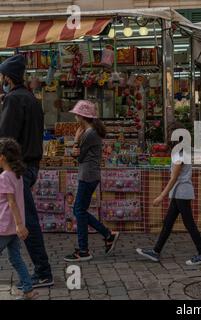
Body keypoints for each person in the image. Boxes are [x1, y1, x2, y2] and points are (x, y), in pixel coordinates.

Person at [0, 54, 53, 288]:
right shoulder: (30, 99)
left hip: (17, 168)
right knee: (19, 216)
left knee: (26, 220)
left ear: (7, 78)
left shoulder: (13, 100)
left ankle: (43, 271)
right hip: (31, 166)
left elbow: (5, 139)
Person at [136, 122, 201, 266]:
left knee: (189, 224)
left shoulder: (180, 153)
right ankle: (156, 251)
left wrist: (160, 196)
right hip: (180, 192)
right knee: (168, 223)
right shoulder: (182, 150)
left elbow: (174, 178)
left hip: (181, 191)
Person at [64, 100, 119, 262]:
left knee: (79, 210)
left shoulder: (88, 134)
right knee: (80, 210)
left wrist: (75, 140)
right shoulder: (90, 132)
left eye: (76, 114)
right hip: (89, 174)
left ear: (82, 116)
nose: (74, 116)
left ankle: (84, 250)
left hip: (87, 175)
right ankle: (107, 235)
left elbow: (78, 156)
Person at [0, 138, 38, 300]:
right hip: (14, 227)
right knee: (15, 258)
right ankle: (28, 290)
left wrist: (19, 225)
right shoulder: (17, 176)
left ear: (2, 157)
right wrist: (19, 225)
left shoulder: (4, 177)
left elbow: (11, 202)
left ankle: (28, 289)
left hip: (5, 226)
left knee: (15, 258)